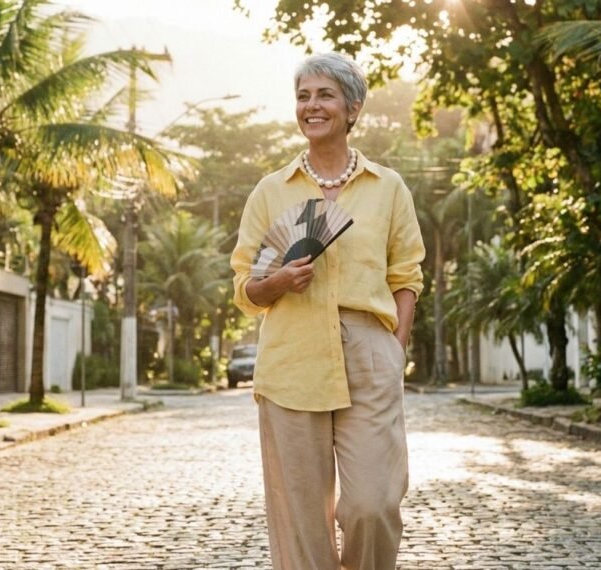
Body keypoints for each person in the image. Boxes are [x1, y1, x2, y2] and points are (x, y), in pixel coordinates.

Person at [230, 52, 425, 570]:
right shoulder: (271, 191)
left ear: (352, 106)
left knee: (373, 505)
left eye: (324, 95)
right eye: (302, 96)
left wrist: (394, 350)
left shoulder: (388, 188)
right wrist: (276, 282)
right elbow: (243, 288)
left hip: (370, 356)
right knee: (302, 523)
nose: (311, 106)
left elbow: (407, 278)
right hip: (292, 360)